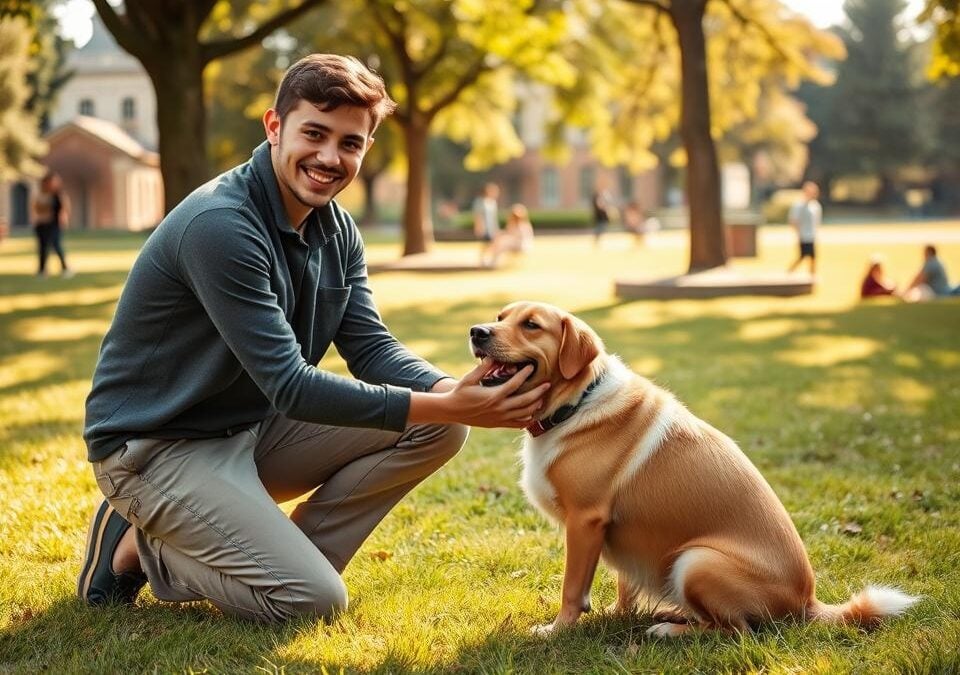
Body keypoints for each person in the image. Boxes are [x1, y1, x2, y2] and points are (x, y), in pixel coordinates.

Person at [78, 54, 550, 624]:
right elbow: (291, 387)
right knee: (312, 600)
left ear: (366, 147)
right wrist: (453, 404)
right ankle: (136, 544)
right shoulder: (220, 225)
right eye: (314, 134)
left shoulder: (337, 228)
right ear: (274, 127)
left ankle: (284, 560)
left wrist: (455, 393)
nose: (330, 158)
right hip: (155, 446)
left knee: (439, 426)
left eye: (350, 143)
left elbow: (370, 347)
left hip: (248, 428)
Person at [31, 171, 73, 277]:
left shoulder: (59, 195)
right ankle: (42, 270)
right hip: (42, 224)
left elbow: (65, 208)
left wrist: (64, 219)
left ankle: (65, 268)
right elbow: (35, 208)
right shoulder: (41, 195)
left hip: (54, 225)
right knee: (43, 247)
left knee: (57, 245)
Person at [481, 203, 534, 268]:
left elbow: (521, 239)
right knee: (499, 241)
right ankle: (490, 259)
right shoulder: (513, 224)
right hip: (515, 244)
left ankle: (492, 262)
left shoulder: (523, 225)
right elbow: (508, 233)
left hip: (521, 246)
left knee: (501, 243)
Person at [786, 181, 821, 276]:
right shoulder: (799, 205)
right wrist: (798, 233)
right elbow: (794, 220)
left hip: (811, 236)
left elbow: (816, 222)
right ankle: (790, 272)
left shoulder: (816, 206)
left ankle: (812, 275)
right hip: (803, 236)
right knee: (803, 256)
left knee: (812, 257)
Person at [591, 182, 612, 246]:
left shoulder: (602, 196)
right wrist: (604, 206)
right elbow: (599, 205)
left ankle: (597, 241)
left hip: (601, 216)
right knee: (599, 228)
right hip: (599, 216)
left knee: (601, 228)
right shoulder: (597, 196)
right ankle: (596, 241)